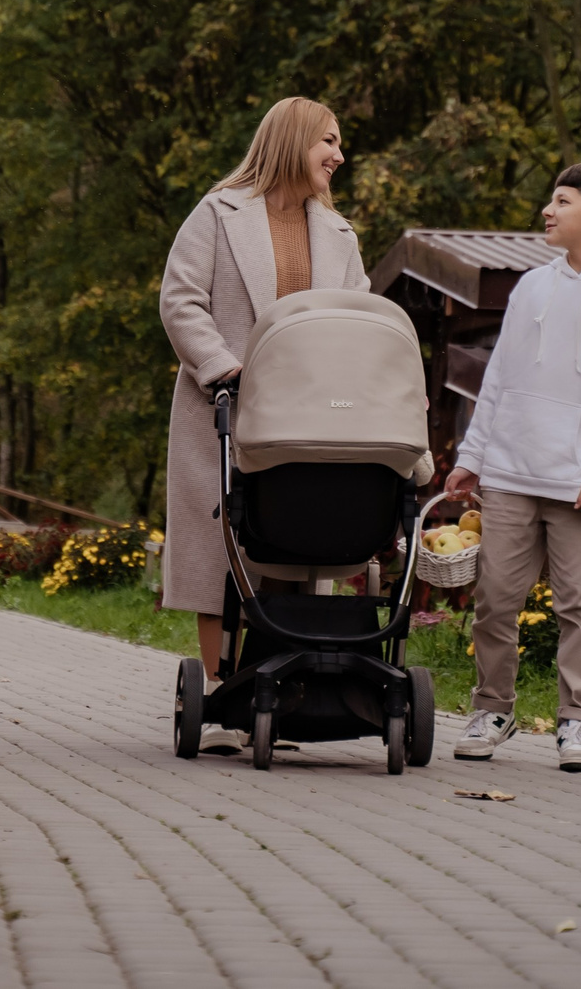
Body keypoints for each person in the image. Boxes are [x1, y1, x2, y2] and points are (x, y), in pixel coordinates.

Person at [158, 95, 369, 755]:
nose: (339, 154)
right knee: (222, 548)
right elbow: (181, 298)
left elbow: (361, 319)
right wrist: (224, 368)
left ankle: (282, 692)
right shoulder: (218, 213)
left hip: (308, 411)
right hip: (224, 403)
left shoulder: (339, 235)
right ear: (292, 139)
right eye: (328, 141)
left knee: (293, 542)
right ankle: (222, 689)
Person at [445, 161, 581, 772]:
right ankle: (493, 708)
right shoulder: (530, 287)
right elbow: (499, 380)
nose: (547, 210)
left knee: (579, 605)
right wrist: (473, 458)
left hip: (580, 484)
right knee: (494, 600)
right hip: (511, 471)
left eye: (560, 201)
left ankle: (576, 723)